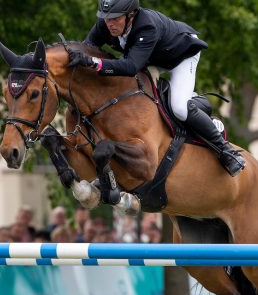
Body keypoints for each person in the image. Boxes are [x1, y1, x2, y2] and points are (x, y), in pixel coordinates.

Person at [69, 0, 245, 176]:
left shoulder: (147, 26)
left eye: (115, 19)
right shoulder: (105, 24)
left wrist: (94, 62)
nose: (110, 24)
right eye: (106, 19)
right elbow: (87, 48)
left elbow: (130, 67)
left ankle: (225, 149)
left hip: (181, 55)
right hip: (152, 57)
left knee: (179, 108)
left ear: (131, 15)